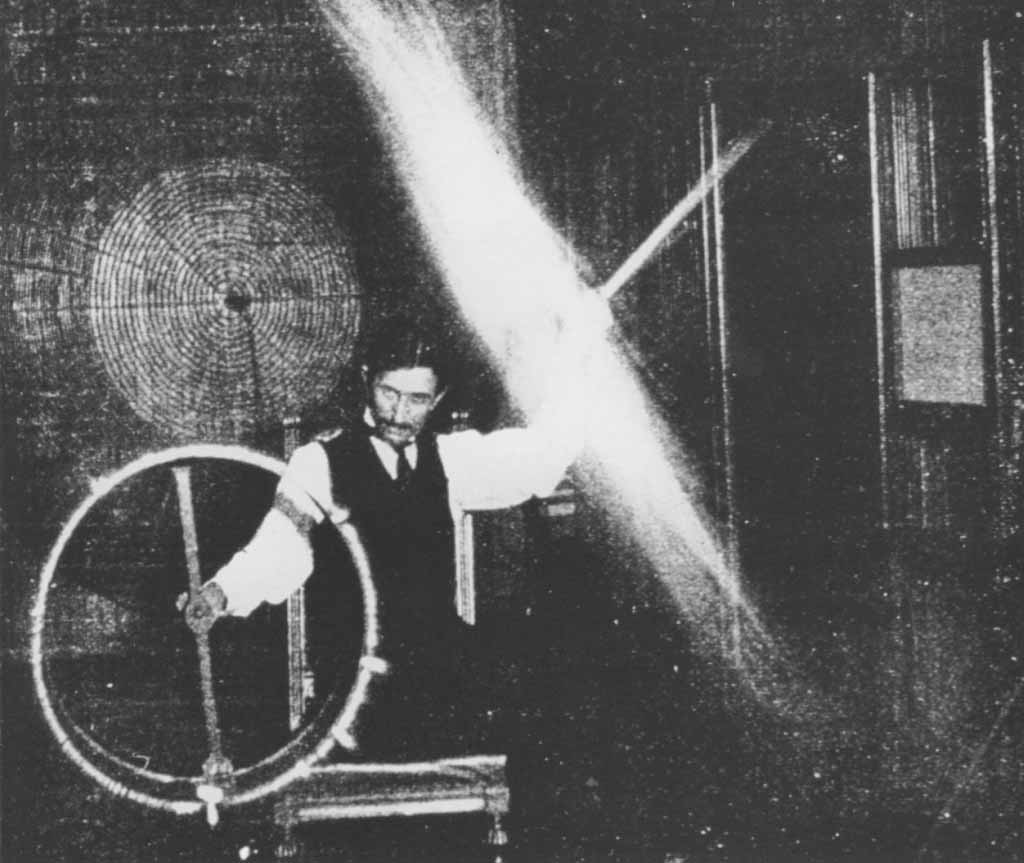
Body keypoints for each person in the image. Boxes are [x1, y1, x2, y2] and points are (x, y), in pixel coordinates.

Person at [181, 298, 607, 758]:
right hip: (356, 687)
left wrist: (579, 344)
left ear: (438, 399)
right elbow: (278, 548)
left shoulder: (453, 459)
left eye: (418, 400)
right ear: (368, 379)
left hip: (444, 680)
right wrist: (220, 594)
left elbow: (543, 455)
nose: (400, 414)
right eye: (389, 393)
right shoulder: (319, 463)